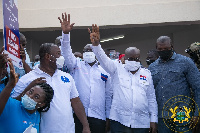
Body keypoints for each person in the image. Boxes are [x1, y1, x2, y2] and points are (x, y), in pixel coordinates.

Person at [88, 24, 158, 133]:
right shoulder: (116, 69)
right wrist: (97, 45)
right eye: (131, 58)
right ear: (125, 57)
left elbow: (151, 98)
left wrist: (153, 119)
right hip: (120, 121)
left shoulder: (146, 73)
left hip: (141, 122)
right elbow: (104, 60)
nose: (134, 61)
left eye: (136, 59)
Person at [11, 42, 90, 132]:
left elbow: (76, 102)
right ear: (48, 56)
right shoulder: (27, 79)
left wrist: (85, 125)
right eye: (58, 54)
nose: (61, 57)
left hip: (68, 130)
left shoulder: (67, 77)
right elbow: (13, 105)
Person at [59, 13, 112, 133]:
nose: (89, 52)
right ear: (82, 54)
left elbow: (108, 95)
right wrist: (66, 34)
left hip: (98, 117)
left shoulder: (104, 70)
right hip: (77, 116)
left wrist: (108, 117)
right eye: (86, 51)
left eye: (91, 50)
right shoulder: (75, 65)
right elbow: (67, 52)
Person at [148, 36, 200, 133]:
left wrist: (197, 113)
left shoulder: (186, 62)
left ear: (172, 47)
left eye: (166, 49)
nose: (163, 51)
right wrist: (152, 118)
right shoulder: (152, 67)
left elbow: (198, 87)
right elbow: (150, 94)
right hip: (162, 115)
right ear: (156, 48)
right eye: (160, 49)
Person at [0, 54, 54, 133]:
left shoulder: (37, 116)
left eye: (36, 97)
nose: (30, 96)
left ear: (41, 104)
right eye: (30, 92)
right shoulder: (11, 105)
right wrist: (10, 85)